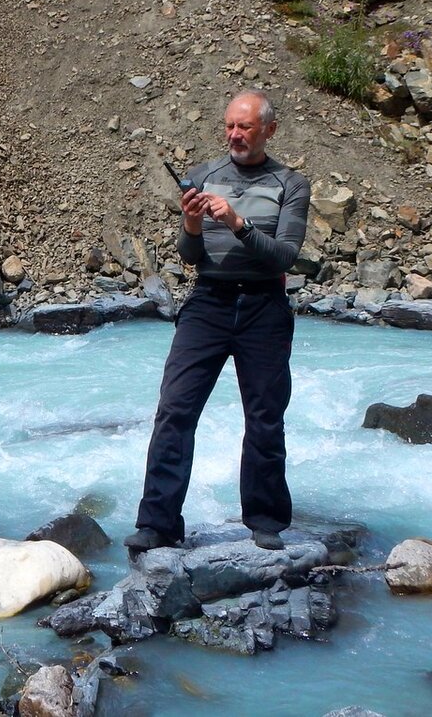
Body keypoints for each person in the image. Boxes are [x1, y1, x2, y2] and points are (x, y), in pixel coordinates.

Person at [125, 89, 311, 552]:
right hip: (208, 302)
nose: (235, 135)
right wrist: (190, 226)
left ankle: (266, 519)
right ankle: (158, 523)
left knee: (265, 416)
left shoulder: (291, 183)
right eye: (230, 125)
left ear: (269, 130)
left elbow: (284, 255)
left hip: (264, 306)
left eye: (245, 127)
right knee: (175, 409)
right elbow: (190, 257)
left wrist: (237, 222)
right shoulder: (203, 175)